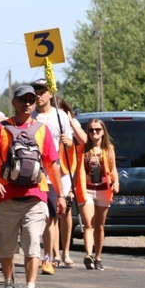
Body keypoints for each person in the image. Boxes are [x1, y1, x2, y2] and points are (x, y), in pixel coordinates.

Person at [0, 85, 66, 288]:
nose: (27, 103)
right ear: (14, 103)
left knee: (32, 244)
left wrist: (61, 195)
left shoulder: (42, 129)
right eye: (23, 100)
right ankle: (8, 284)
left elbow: (52, 164)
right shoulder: (0, 128)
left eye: (31, 99)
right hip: (5, 196)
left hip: (35, 197)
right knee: (6, 247)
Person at [31, 78, 73, 275]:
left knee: (52, 217)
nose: (38, 95)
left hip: (54, 173)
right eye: (36, 91)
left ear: (50, 94)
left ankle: (48, 256)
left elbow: (70, 141)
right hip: (34, 173)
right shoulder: (31, 116)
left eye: (42, 91)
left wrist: (68, 141)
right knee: (38, 217)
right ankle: (40, 255)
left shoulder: (60, 115)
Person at [76, 119, 119, 271]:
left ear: (103, 132)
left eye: (97, 130)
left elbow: (113, 170)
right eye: (91, 130)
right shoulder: (82, 149)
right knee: (88, 223)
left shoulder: (108, 149)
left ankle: (98, 256)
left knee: (99, 225)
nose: (94, 133)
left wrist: (116, 182)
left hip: (103, 190)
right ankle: (88, 255)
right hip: (86, 190)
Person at [54, 96, 87, 266]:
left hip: (67, 172)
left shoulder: (71, 125)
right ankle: (54, 254)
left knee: (65, 212)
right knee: (51, 214)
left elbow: (84, 140)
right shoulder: (46, 121)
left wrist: (71, 120)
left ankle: (66, 251)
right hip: (51, 170)